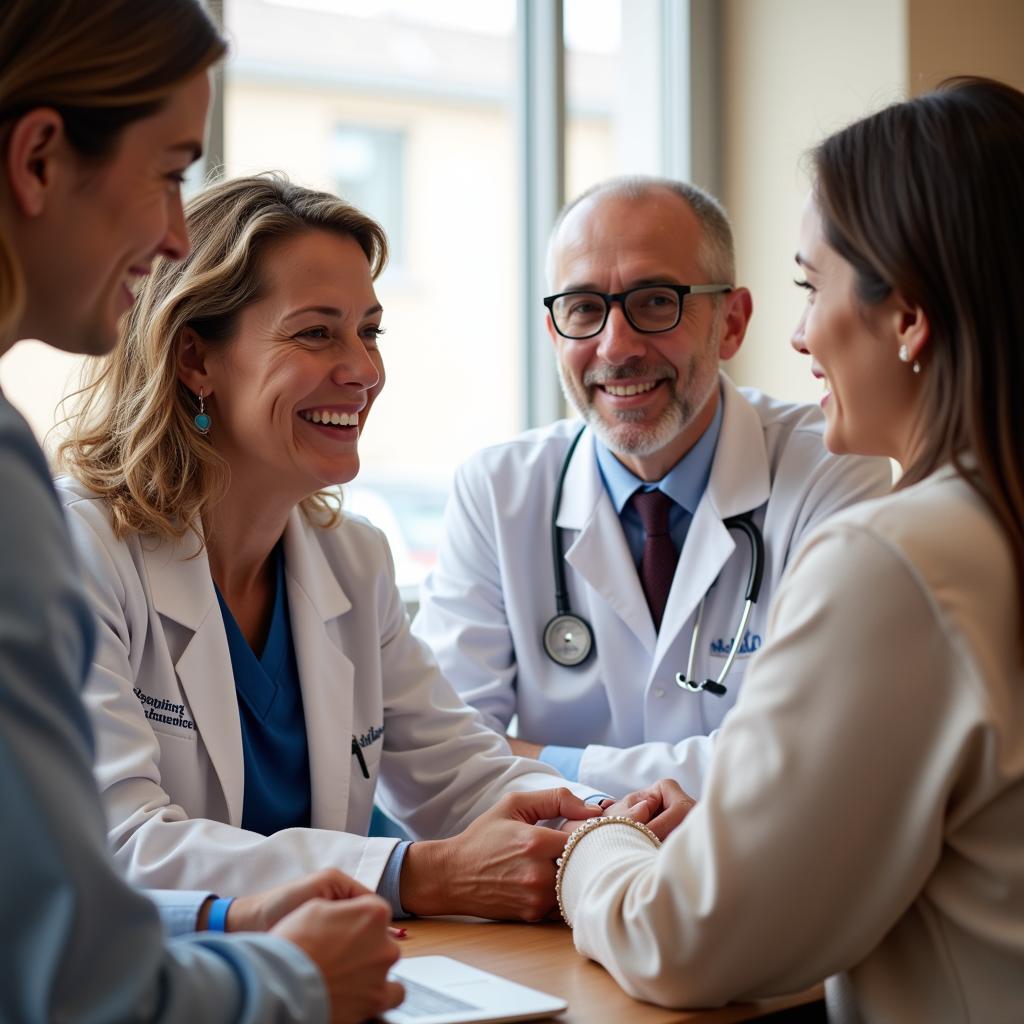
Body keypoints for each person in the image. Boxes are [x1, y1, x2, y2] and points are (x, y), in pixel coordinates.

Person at [55, 172, 688, 923]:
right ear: (195, 360)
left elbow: (460, 773)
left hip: (326, 981)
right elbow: (119, 845)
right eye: (317, 332)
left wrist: (612, 816)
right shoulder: (77, 551)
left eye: (369, 331)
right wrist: (414, 875)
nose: (364, 371)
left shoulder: (351, 560)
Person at [553, 77, 1024, 1022]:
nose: (802, 336)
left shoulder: (904, 557)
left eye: (814, 288)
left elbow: (679, 940)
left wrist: (592, 848)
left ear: (909, 316)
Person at [0, 1, 403, 1021]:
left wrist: (587, 825)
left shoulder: (348, 555)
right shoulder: (53, 518)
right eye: (171, 168)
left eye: (367, 330)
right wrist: (304, 968)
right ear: (40, 158)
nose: (176, 230)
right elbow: (72, 948)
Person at [412, 175, 893, 798]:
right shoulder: (497, 491)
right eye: (584, 308)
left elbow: (815, 757)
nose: (616, 346)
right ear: (556, 333)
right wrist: (641, 817)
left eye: (655, 301)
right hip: (559, 887)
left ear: (731, 322)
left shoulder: (831, 469)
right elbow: (437, 767)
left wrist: (542, 766)